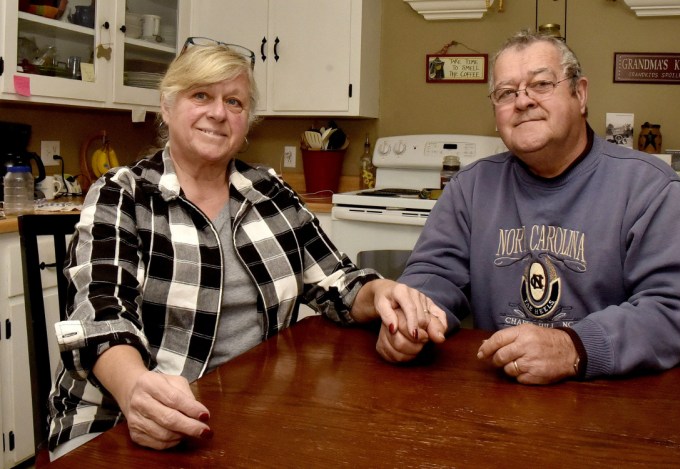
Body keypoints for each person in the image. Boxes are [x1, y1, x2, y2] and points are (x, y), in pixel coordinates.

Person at [47, 38, 447, 458]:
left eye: (234, 102)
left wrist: (382, 293)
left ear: (246, 120)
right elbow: (101, 317)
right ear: (167, 106)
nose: (218, 113)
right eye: (201, 95)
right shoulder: (122, 194)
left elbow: (339, 282)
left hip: (249, 416)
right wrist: (134, 390)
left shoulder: (269, 193)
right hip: (119, 421)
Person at [398, 29, 680, 385]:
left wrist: (574, 347)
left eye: (541, 84)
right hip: (499, 397)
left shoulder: (650, 188)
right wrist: (411, 318)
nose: (523, 101)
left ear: (580, 94)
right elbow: (434, 275)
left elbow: (676, 310)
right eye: (505, 93)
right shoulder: (470, 187)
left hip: (616, 401)